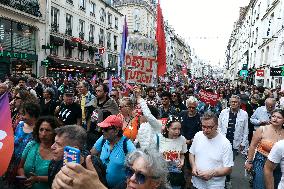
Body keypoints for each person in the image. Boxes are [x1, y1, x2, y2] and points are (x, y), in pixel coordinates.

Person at [52, 149, 170, 189]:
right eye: (130, 172)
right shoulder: (123, 186)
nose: (132, 179)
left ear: (156, 183)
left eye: (141, 176)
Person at [189, 112, 234, 189]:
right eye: (203, 126)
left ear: (216, 126)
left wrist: (212, 173)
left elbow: (228, 169)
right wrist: (193, 166)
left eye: (209, 127)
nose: (206, 130)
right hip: (196, 183)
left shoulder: (225, 143)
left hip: (214, 186)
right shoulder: (198, 135)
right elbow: (191, 153)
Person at [91, 115, 136, 188]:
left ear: (116, 131)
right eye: (102, 128)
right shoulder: (103, 138)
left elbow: (136, 166)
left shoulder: (127, 145)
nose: (102, 131)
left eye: (106, 129)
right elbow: (92, 153)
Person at [17, 116, 61, 189]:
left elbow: (59, 177)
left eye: (47, 130)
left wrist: (38, 178)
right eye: (41, 130)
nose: (43, 134)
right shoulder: (31, 145)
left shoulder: (58, 151)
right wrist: (23, 177)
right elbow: (20, 167)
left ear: (54, 133)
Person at [244, 109, 284, 189]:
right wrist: (249, 161)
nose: (275, 119)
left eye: (279, 117)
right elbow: (252, 145)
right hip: (261, 161)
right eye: (273, 116)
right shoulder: (262, 129)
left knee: (275, 186)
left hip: (278, 165)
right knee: (260, 186)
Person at [5, 103, 41, 187]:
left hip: (25, 165)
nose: (21, 116)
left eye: (24, 114)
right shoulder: (20, 125)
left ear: (33, 115)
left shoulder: (39, 130)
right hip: (12, 161)